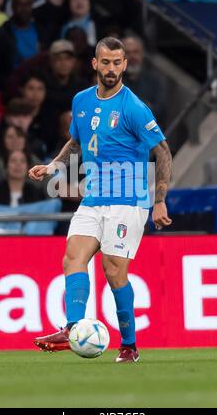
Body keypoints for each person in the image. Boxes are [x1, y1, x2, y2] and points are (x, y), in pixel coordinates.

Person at [29, 37, 172, 363]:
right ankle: (73, 327)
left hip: (128, 200)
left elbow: (162, 151)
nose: (111, 69)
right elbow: (76, 142)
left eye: (117, 63)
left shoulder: (132, 107)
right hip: (93, 198)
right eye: (105, 62)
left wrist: (160, 199)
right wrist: (53, 166)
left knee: (113, 271)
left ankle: (129, 345)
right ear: (95, 64)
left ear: (124, 65)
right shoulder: (81, 101)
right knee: (72, 259)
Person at [0, 0, 46, 90]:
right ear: (12, 7)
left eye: (27, 5)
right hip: (12, 88)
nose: (24, 9)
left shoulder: (42, 32)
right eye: (20, 5)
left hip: (42, 85)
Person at [122, 35, 166, 126]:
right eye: (127, 53)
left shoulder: (154, 82)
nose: (132, 56)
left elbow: (159, 111)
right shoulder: (112, 82)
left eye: (135, 52)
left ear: (141, 54)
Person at [0, 124, 40, 188]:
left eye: (19, 136)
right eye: (10, 137)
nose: (15, 140)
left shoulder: (35, 162)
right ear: (3, 140)